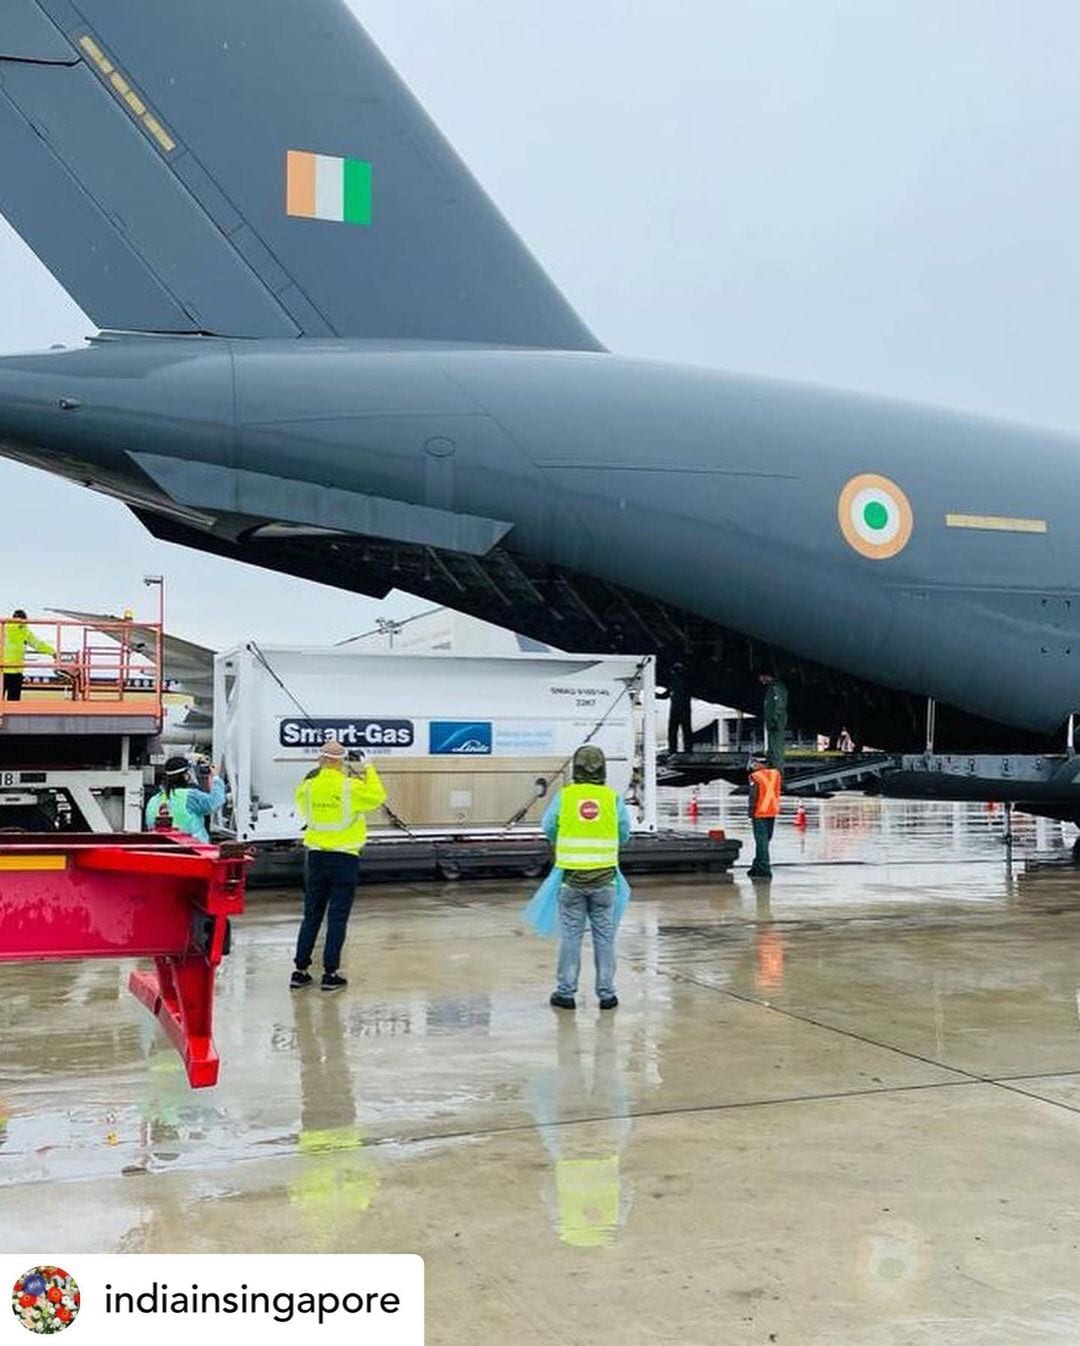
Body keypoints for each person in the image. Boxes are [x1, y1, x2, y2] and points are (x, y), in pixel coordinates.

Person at [292, 739, 387, 993]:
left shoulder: (307, 788)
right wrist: (368, 766)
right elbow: (378, 797)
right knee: (337, 917)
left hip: (315, 857)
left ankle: (300, 972)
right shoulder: (351, 788)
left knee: (311, 915)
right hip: (344, 858)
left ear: (320, 760)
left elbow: (302, 805)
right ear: (342, 761)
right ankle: (330, 973)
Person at [542, 744, 632, 1011]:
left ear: (575, 769)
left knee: (571, 937)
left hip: (572, 880)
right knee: (604, 938)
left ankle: (565, 993)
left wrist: (564, 840)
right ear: (603, 769)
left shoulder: (565, 796)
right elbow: (625, 832)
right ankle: (607, 994)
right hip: (606, 881)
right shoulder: (612, 798)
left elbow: (548, 826)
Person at [145, 756, 226, 843]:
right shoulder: (190, 796)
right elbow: (215, 802)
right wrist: (216, 779)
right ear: (185, 775)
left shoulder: (153, 800)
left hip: (163, 850)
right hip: (193, 850)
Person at [2, 610, 55, 702]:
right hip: (12, 671)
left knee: (10, 701)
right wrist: (53, 652)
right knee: (13, 702)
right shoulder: (22, 630)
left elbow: (37, 644)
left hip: (8, 670)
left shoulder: (5, 627)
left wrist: (53, 652)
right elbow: (38, 645)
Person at [747, 754, 782, 880]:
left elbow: (753, 796)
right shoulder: (776, 774)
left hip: (759, 812)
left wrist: (751, 812)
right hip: (772, 810)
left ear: (760, 763)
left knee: (761, 841)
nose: (753, 765)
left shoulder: (755, 777)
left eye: (754, 763)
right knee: (765, 840)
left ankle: (764, 869)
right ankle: (756, 866)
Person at [658, 659, 693, 755]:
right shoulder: (678, 682)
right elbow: (666, 695)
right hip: (680, 708)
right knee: (682, 729)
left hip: (680, 708)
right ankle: (683, 749)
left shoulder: (681, 681)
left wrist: (656, 695)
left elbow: (665, 695)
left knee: (676, 729)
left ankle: (676, 749)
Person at [759, 672, 788, 769]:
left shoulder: (777, 688)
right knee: (772, 745)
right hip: (772, 722)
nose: (761, 680)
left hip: (776, 721)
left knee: (776, 747)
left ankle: (778, 769)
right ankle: (772, 766)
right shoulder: (772, 688)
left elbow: (780, 705)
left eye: (762, 677)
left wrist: (774, 719)